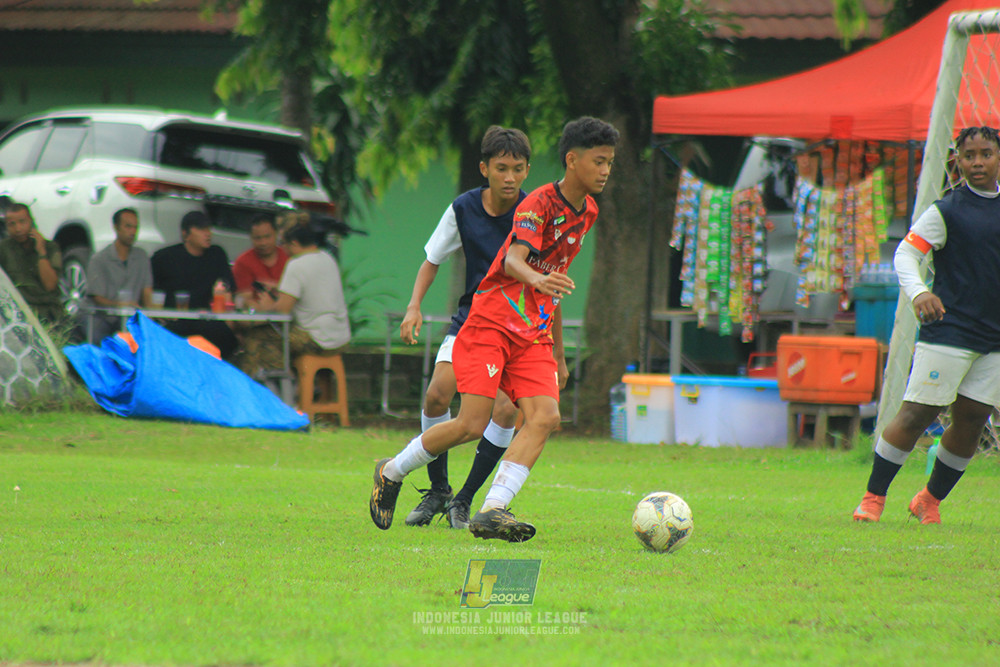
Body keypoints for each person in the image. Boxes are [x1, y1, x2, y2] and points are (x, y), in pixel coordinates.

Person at [369, 116, 619, 542]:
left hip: (532, 332)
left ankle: (493, 509)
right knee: (470, 423)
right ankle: (391, 472)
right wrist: (535, 278)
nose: (605, 170)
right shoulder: (536, 204)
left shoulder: (588, 212)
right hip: (489, 323)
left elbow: (554, 280)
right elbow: (512, 261)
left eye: (610, 162)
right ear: (572, 160)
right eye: (599, 161)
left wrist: (558, 352)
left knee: (545, 417)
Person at [853, 125, 1000, 525]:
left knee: (971, 419)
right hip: (949, 330)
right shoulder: (947, 210)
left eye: (985, 154)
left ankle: (928, 501)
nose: (978, 162)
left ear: (998, 156)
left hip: (994, 338)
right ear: (958, 160)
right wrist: (919, 293)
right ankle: (872, 498)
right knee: (918, 413)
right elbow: (905, 254)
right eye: (969, 156)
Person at [400, 125, 537, 530]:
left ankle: (465, 499)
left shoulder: (535, 214)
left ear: (527, 171)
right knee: (437, 395)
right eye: (501, 168)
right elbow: (432, 259)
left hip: (519, 327)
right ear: (484, 168)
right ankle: (438, 489)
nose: (509, 177)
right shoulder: (462, 208)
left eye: (516, 169)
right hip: (474, 320)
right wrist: (414, 306)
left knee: (507, 409)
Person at [237, 222, 351, 378]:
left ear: (294, 243)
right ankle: (301, 383)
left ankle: (279, 386)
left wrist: (268, 306)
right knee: (278, 340)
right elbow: (310, 286)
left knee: (257, 336)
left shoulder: (296, 264)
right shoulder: (327, 258)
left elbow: (281, 313)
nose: (282, 249)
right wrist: (279, 287)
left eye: (283, 244)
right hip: (340, 338)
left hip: (316, 339)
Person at [151, 211, 238, 358]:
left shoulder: (217, 254)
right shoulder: (165, 258)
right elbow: (152, 293)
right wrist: (159, 315)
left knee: (227, 338)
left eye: (208, 229)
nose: (207, 234)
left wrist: (229, 320)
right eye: (201, 229)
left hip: (207, 319)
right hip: (175, 320)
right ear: (186, 234)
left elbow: (227, 289)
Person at [85, 208, 153, 342]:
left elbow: (147, 291)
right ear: (116, 228)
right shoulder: (99, 259)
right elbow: (97, 298)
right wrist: (121, 305)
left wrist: (152, 313)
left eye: (135, 227)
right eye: (128, 226)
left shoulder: (141, 256)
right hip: (103, 316)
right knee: (100, 333)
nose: (133, 232)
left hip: (130, 317)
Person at [0, 202, 64, 323]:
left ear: (31, 221)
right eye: (12, 224)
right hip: (17, 313)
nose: (18, 229)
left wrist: (41, 252)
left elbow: (50, 285)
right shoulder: (4, 249)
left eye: (22, 222)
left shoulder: (50, 247)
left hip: (48, 312)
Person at [232, 213, 288, 307]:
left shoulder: (289, 258)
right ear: (251, 238)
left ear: (276, 234)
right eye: (258, 238)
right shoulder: (243, 262)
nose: (263, 243)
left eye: (267, 237)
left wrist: (278, 287)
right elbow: (244, 299)